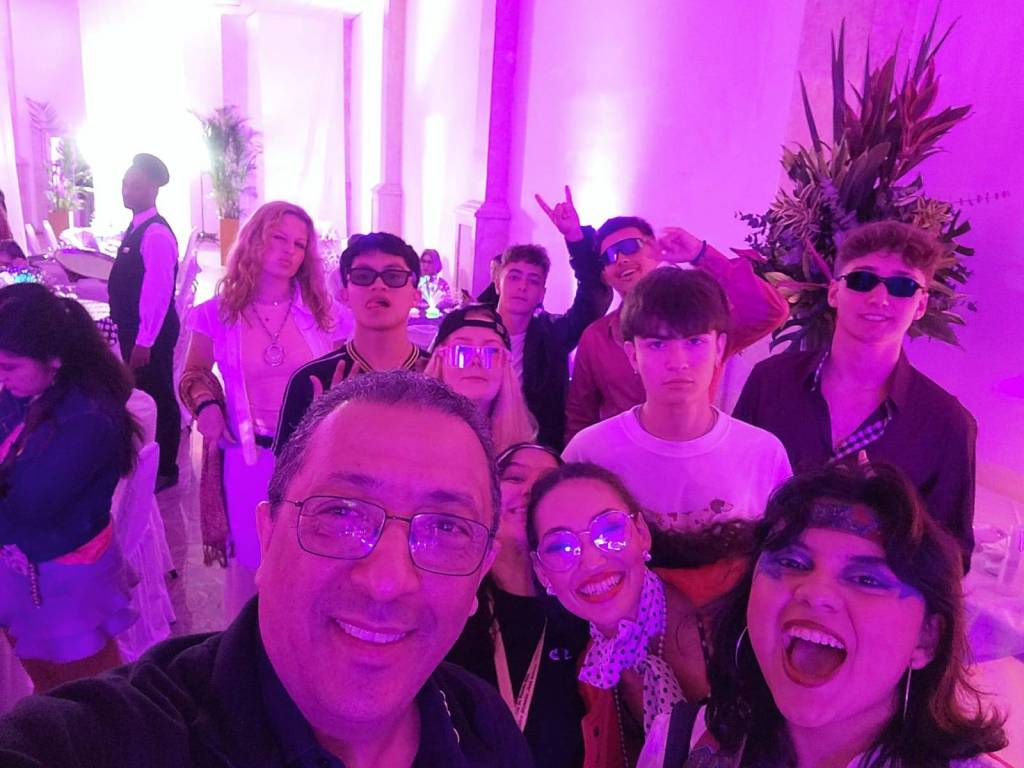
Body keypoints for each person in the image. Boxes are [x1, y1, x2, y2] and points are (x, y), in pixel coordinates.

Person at [0, 371, 533, 767]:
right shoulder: (106, 740)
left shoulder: (485, 728)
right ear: (268, 534)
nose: (386, 581)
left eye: (446, 528)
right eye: (340, 513)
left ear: (479, 574)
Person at [638, 463, 1009, 768]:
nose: (815, 592)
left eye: (865, 579)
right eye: (792, 562)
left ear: (926, 638)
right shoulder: (677, 745)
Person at [733, 220, 978, 569]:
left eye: (902, 286)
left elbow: (952, 556)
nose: (879, 298)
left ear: (921, 304)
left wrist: (884, 519)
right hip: (762, 579)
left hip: (865, 596)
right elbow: (731, 491)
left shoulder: (946, 423)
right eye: (862, 280)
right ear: (834, 292)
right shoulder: (770, 382)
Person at [564, 267, 791, 607]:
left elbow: (781, 561)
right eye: (657, 344)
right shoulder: (590, 452)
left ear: (719, 348)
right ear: (632, 354)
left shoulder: (762, 452)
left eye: (694, 342)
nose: (677, 362)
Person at [180, 201, 341, 618]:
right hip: (249, 458)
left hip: (314, 459)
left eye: (299, 244)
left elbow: (349, 377)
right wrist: (207, 407)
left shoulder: (325, 313)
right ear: (254, 241)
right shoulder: (217, 313)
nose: (289, 250)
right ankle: (249, 647)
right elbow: (194, 373)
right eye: (278, 238)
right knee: (253, 565)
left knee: (311, 558)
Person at [0, 283, 138, 693]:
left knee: (87, 697)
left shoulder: (87, 418)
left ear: (55, 358)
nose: (2, 378)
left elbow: (26, 508)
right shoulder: (32, 393)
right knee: (49, 686)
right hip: (27, 569)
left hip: (61, 579)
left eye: (9, 366)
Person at [528, 462, 711, 768]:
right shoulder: (591, 677)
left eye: (609, 529)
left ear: (641, 533)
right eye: (561, 548)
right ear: (542, 572)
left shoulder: (729, 605)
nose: (591, 562)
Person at [563, 214, 789, 443]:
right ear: (604, 274)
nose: (621, 259)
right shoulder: (596, 337)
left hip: (695, 450)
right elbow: (580, 416)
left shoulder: (703, 319)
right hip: (619, 457)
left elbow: (771, 311)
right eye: (610, 256)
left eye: (630, 247)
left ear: (655, 251)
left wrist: (702, 254)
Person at [448, 442, 589, 768]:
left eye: (547, 482)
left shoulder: (586, 617)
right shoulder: (450, 602)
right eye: (514, 477)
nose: (529, 490)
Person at [274, 232, 427, 450]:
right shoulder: (311, 379)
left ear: (415, 296)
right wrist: (321, 432)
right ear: (345, 295)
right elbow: (286, 469)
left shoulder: (436, 374)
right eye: (363, 276)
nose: (378, 285)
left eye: (393, 276)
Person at [109, 152, 180, 491]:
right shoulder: (137, 225)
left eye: (135, 186)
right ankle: (147, 458)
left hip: (149, 332)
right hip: (135, 329)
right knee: (145, 392)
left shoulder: (156, 234)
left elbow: (157, 292)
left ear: (153, 190)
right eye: (125, 184)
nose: (127, 191)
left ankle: (166, 468)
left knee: (158, 396)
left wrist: (145, 340)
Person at [424, 304, 537, 452]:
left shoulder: (522, 456)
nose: (476, 361)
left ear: (506, 366)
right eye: (462, 351)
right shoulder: (410, 440)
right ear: (440, 360)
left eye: (491, 352)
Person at [417, 248, 454, 312]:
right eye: (423, 261)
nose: (426, 265)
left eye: (429, 262)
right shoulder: (414, 282)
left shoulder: (442, 284)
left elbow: (448, 303)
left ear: (436, 264)